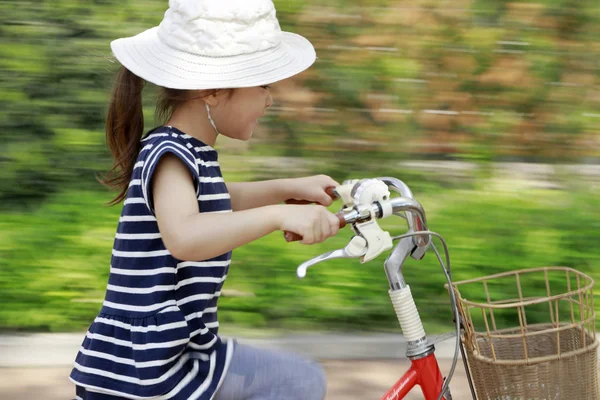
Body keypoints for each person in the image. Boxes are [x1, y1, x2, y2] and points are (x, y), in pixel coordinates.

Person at [68, 0, 342, 399]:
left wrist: (291, 188)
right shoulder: (168, 151)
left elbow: (219, 200)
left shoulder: (190, 152)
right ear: (211, 90)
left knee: (299, 379)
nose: (270, 100)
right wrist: (277, 215)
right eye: (263, 85)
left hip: (169, 353)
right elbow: (186, 236)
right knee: (299, 381)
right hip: (145, 368)